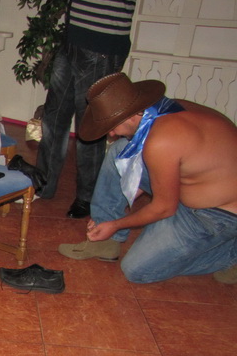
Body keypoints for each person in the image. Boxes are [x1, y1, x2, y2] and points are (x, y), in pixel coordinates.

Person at [57, 72, 237, 284]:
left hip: (217, 215)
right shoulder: (166, 109)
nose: (111, 134)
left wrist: (116, 224)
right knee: (120, 151)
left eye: (112, 126)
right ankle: (105, 241)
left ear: (132, 114)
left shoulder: (161, 141)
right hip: (197, 186)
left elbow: (164, 208)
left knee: (137, 270)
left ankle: (231, 255)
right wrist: (130, 188)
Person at [36, 0, 136, 219]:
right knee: (53, 116)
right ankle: (43, 183)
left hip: (102, 44)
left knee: (89, 125)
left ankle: (87, 197)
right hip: (72, 38)